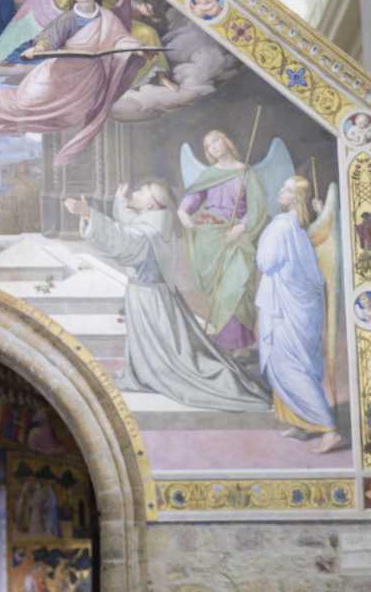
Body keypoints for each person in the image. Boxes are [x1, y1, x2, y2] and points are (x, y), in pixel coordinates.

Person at [66, 182, 272, 412]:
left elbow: (122, 240)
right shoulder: (155, 221)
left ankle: (158, 374)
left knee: (168, 355)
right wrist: (119, 201)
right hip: (153, 296)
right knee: (162, 348)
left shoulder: (148, 232)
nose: (136, 192)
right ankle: (149, 370)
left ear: (152, 204)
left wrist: (87, 214)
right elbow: (128, 224)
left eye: (141, 191)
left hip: (148, 300)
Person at [0, 0, 142, 165]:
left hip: (89, 76)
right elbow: (50, 37)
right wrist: (39, 48)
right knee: (26, 101)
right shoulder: (69, 18)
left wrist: (133, 45)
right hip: (62, 70)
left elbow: (121, 39)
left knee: (73, 116)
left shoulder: (107, 18)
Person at [255, 176, 346, 453]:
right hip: (298, 305)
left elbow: (266, 261)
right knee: (298, 363)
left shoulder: (282, 226)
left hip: (286, 307)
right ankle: (303, 421)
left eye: (285, 189)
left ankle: (329, 430)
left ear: (294, 197)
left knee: (286, 364)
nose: (280, 192)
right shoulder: (298, 228)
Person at [178, 129, 267, 357]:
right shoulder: (209, 174)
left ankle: (240, 344)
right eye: (208, 145)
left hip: (238, 237)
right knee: (219, 292)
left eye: (216, 141)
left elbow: (258, 207)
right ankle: (225, 341)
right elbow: (193, 199)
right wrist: (184, 212)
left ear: (226, 141)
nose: (214, 146)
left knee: (237, 288)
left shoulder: (246, 173)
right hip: (211, 237)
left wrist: (241, 227)